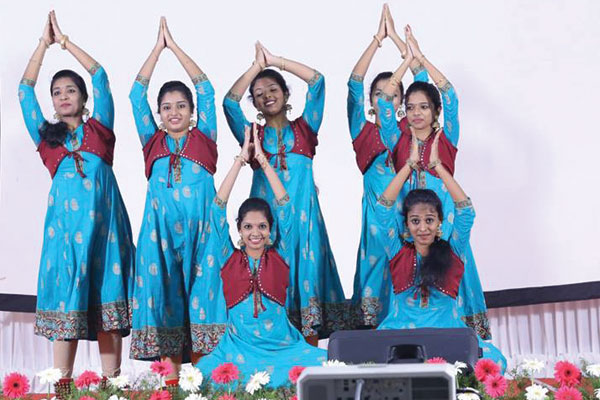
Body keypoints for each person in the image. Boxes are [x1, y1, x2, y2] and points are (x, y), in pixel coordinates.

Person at [18, 11, 135, 394]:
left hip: (105, 232)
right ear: (53, 103)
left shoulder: (100, 130)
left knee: (107, 306)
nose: (64, 96)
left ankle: (112, 389)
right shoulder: (46, 138)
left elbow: (100, 75)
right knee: (68, 304)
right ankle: (62, 390)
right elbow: (24, 91)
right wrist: (42, 45)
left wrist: (65, 42)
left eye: (71, 90)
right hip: (65, 236)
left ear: (84, 99)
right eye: (57, 92)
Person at [372, 24, 491, 339]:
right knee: (408, 281)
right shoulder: (397, 139)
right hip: (409, 223)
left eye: (424, 107)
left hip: (445, 222)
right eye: (410, 107)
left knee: (448, 279)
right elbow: (383, 102)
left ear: (435, 111)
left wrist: (421, 58)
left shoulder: (447, 138)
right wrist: (405, 61)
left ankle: (457, 338)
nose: (416, 113)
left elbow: (449, 94)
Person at [223, 42, 346, 344]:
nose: (267, 96)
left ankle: (307, 362)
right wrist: (256, 67)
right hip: (266, 228)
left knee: (307, 283)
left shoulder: (305, 129)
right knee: (272, 285)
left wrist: (275, 60)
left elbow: (317, 81)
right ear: (255, 103)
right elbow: (229, 103)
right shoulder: (253, 136)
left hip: (304, 224)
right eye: (259, 94)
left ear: (286, 94)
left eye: (273, 89)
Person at [195, 124, 327, 387]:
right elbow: (217, 207)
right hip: (237, 349)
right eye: (248, 227)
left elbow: (286, 205)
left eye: (262, 226)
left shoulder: (281, 256)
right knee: (201, 374)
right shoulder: (228, 258)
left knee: (325, 365)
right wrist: (241, 160)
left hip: (282, 348)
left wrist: (263, 161)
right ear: (239, 230)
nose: (255, 233)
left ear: (270, 230)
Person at [128, 17, 223, 378]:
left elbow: (206, 89)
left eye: (181, 105)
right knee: (164, 304)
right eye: (166, 107)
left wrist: (175, 48)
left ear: (192, 111)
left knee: (205, 305)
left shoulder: (205, 138)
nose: (174, 112)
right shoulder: (152, 142)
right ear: (159, 114)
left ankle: (202, 385)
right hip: (160, 237)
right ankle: (169, 389)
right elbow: (136, 96)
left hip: (205, 235)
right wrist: (157, 50)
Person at [372, 128, 506, 369]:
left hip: (448, 336)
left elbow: (466, 211)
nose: (423, 228)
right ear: (407, 224)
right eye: (415, 221)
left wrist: (439, 167)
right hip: (400, 335)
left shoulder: (453, 252)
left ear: (439, 223)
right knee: (360, 358)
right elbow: (383, 209)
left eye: (429, 220)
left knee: (495, 362)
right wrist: (409, 165)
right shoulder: (398, 253)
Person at [348, 4, 430, 327]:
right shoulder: (362, 129)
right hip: (376, 217)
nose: (387, 98)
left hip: (409, 213)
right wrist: (377, 40)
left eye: (394, 94)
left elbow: (422, 80)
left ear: (402, 102)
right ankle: (372, 334)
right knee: (376, 268)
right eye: (380, 94)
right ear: (372, 101)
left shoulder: (410, 131)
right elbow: (354, 83)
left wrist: (398, 39)